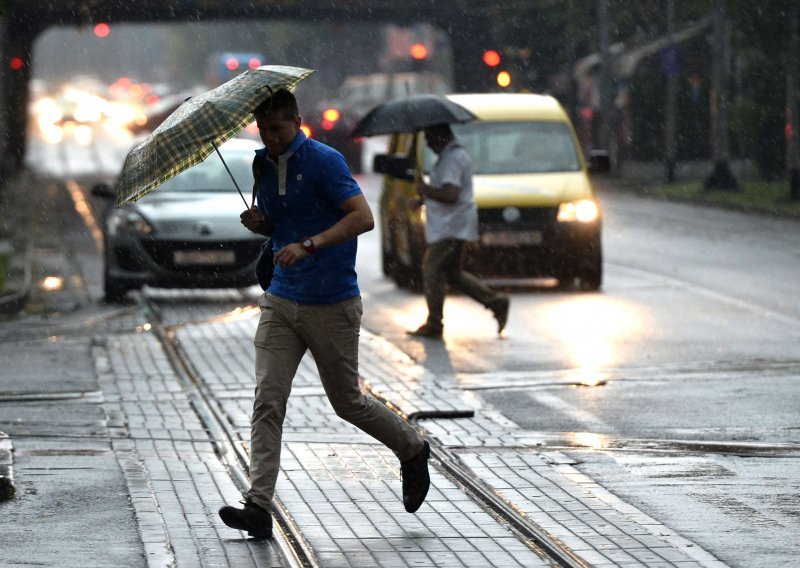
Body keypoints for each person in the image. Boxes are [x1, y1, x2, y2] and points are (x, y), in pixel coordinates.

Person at [219, 89, 431, 539]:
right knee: (268, 399)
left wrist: (310, 244)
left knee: (347, 403)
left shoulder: (325, 161)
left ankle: (412, 449)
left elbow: (362, 217)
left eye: (278, 128)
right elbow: (282, 224)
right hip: (280, 299)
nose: (271, 138)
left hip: (331, 301)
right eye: (264, 130)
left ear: (297, 121)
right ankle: (258, 505)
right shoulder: (261, 164)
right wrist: (265, 226)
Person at [408, 123, 510, 339]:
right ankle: (495, 301)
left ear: (441, 137)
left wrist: (426, 190)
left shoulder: (452, 159)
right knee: (453, 273)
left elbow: (451, 194)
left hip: (451, 226)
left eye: (430, 139)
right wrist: (423, 198)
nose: (428, 144)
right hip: (452, 224)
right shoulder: (451, 157)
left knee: (431, 269)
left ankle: (434, 322)